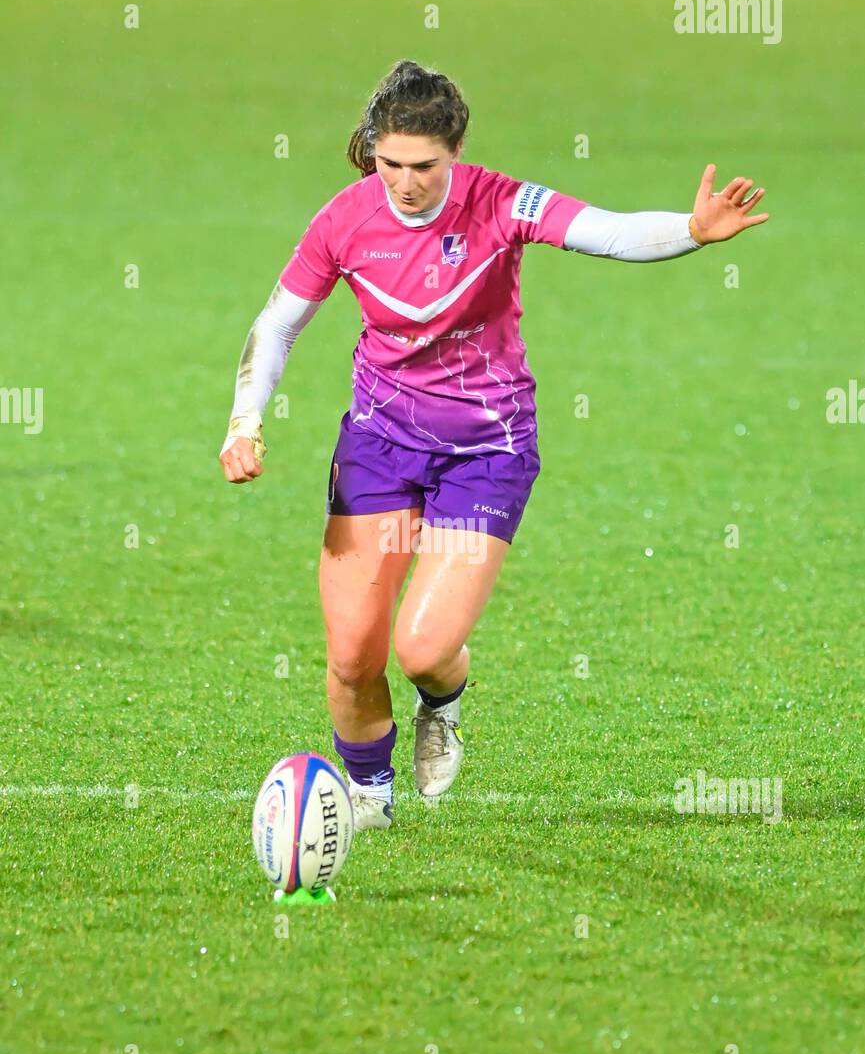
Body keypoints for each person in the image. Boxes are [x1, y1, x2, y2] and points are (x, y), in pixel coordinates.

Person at [218, 59, 768, 831]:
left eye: (423, 167)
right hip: (378, 443)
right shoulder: (342, 221)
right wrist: (245, 422)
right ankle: (369, 797)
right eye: (388, 164)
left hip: (487, 450)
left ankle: (440, 703)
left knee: (420, 648)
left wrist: (690, 231)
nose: (404, 183)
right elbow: (277, 323)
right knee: (349, 654)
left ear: (456, 153)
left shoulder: (502, 201)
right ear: (372, 149)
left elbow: (604, 231)